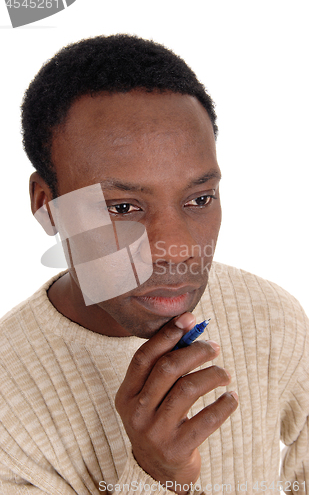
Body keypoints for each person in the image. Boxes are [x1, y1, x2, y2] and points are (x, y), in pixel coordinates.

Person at [0, 34, 308, 495]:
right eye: (122, 208)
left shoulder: (271, 317)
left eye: (199, 198)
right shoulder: (7, 411)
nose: (177, 249)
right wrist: (158, 475)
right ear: (47, 205)